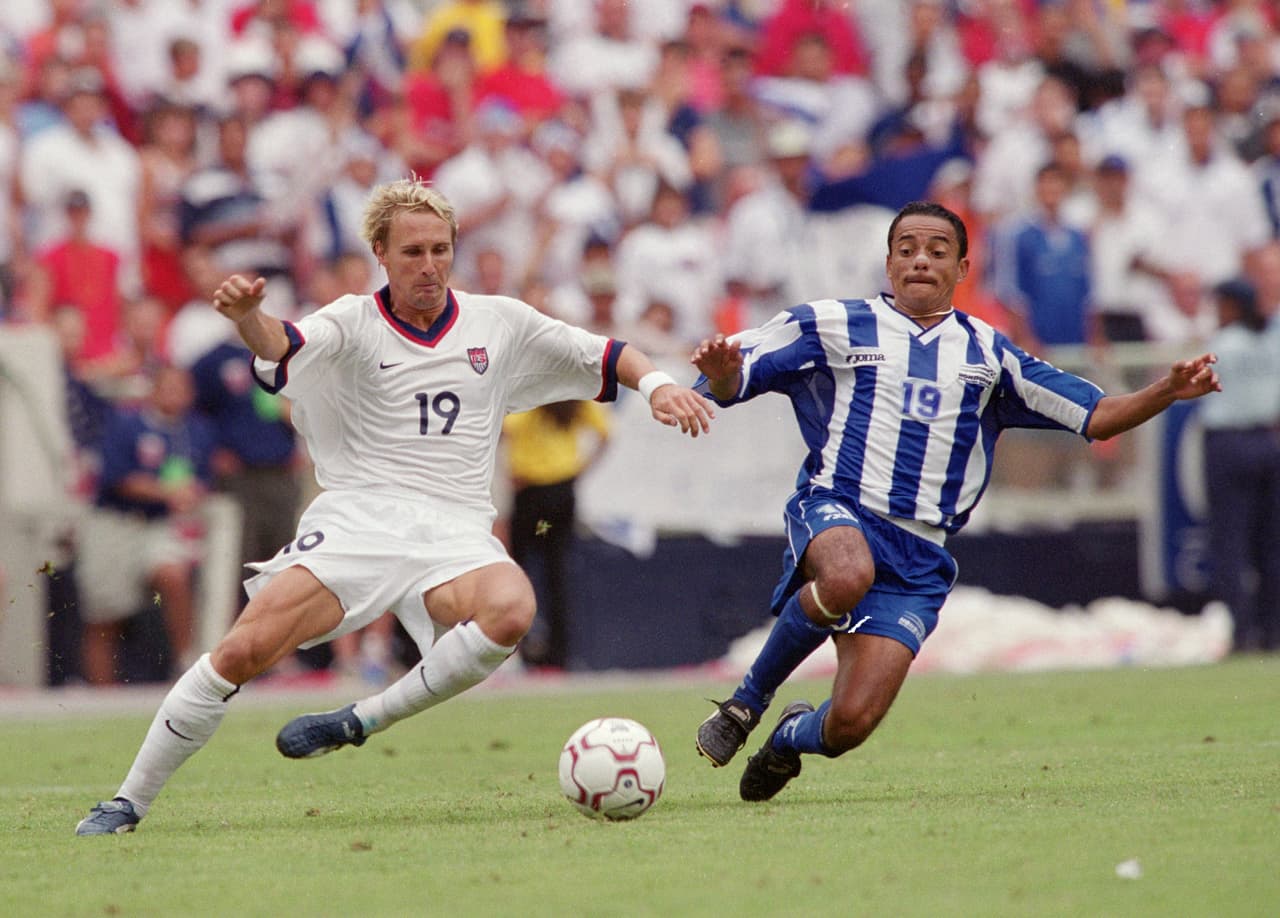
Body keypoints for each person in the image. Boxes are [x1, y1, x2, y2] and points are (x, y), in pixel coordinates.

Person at [75, 177, 714, 835]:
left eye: (441, 249)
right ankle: (127, 801)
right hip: (360, 520)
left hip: (455, 530)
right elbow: (277, 345)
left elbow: (607, 354)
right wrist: (244, 317)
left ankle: (362, 718)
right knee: (241, 652)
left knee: (513, 607)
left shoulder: (499, 322)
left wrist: (661, 385)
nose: (430, 265)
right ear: (380, 251)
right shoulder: (351, 322)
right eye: (413, 252)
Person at [689, 200, 1221, 803]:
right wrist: (725, 374)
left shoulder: (991, 355)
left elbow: (1097, 417)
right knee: (847, 573)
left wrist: (1169, 390)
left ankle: (789, 738)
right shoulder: (831, 322)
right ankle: (743, 705)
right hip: (840, 505)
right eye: (907, 249)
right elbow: (734, 377)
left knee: (849, 726)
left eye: (937, 251)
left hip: (919, 557)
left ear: (962, 267)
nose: (920, 260)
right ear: (888, 263)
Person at [1200, 279, 1280, 653]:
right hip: (1268, 440)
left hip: (1229, 443)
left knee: (1230, 542)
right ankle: (1273, 631)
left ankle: (1243, 633)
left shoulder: (1225, 343)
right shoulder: (1271, 340)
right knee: (1270, 544)